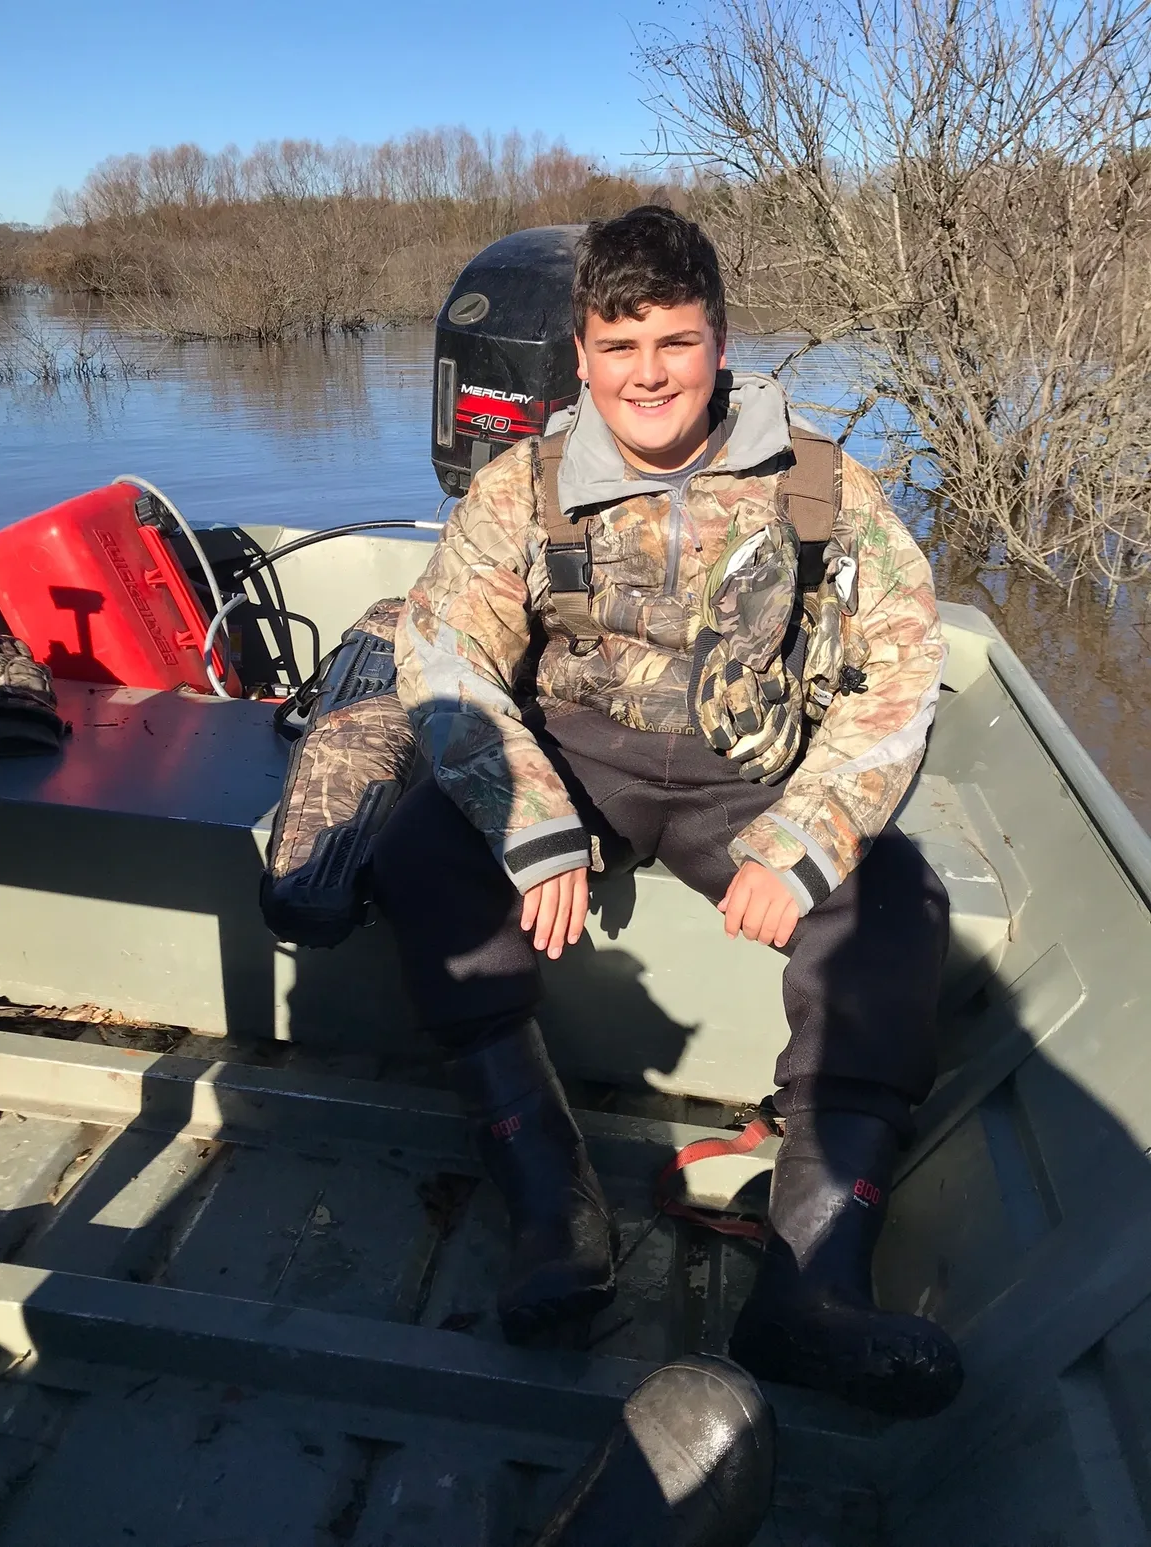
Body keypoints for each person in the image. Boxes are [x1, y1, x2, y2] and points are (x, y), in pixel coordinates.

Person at [374, 206, 962, 1419]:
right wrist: (530, 823)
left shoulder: (815, 481)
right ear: (581, 354)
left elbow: (900, 669)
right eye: (620, 344)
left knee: (895, 901)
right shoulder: (516, 488)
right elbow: (446, 660)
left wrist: (802, 841)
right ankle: (554, 1209)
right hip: (575, 759)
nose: (648, 374)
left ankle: (813, 1278)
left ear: (720, 341)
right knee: (418, 848)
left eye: (676, 343)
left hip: (748, 775)